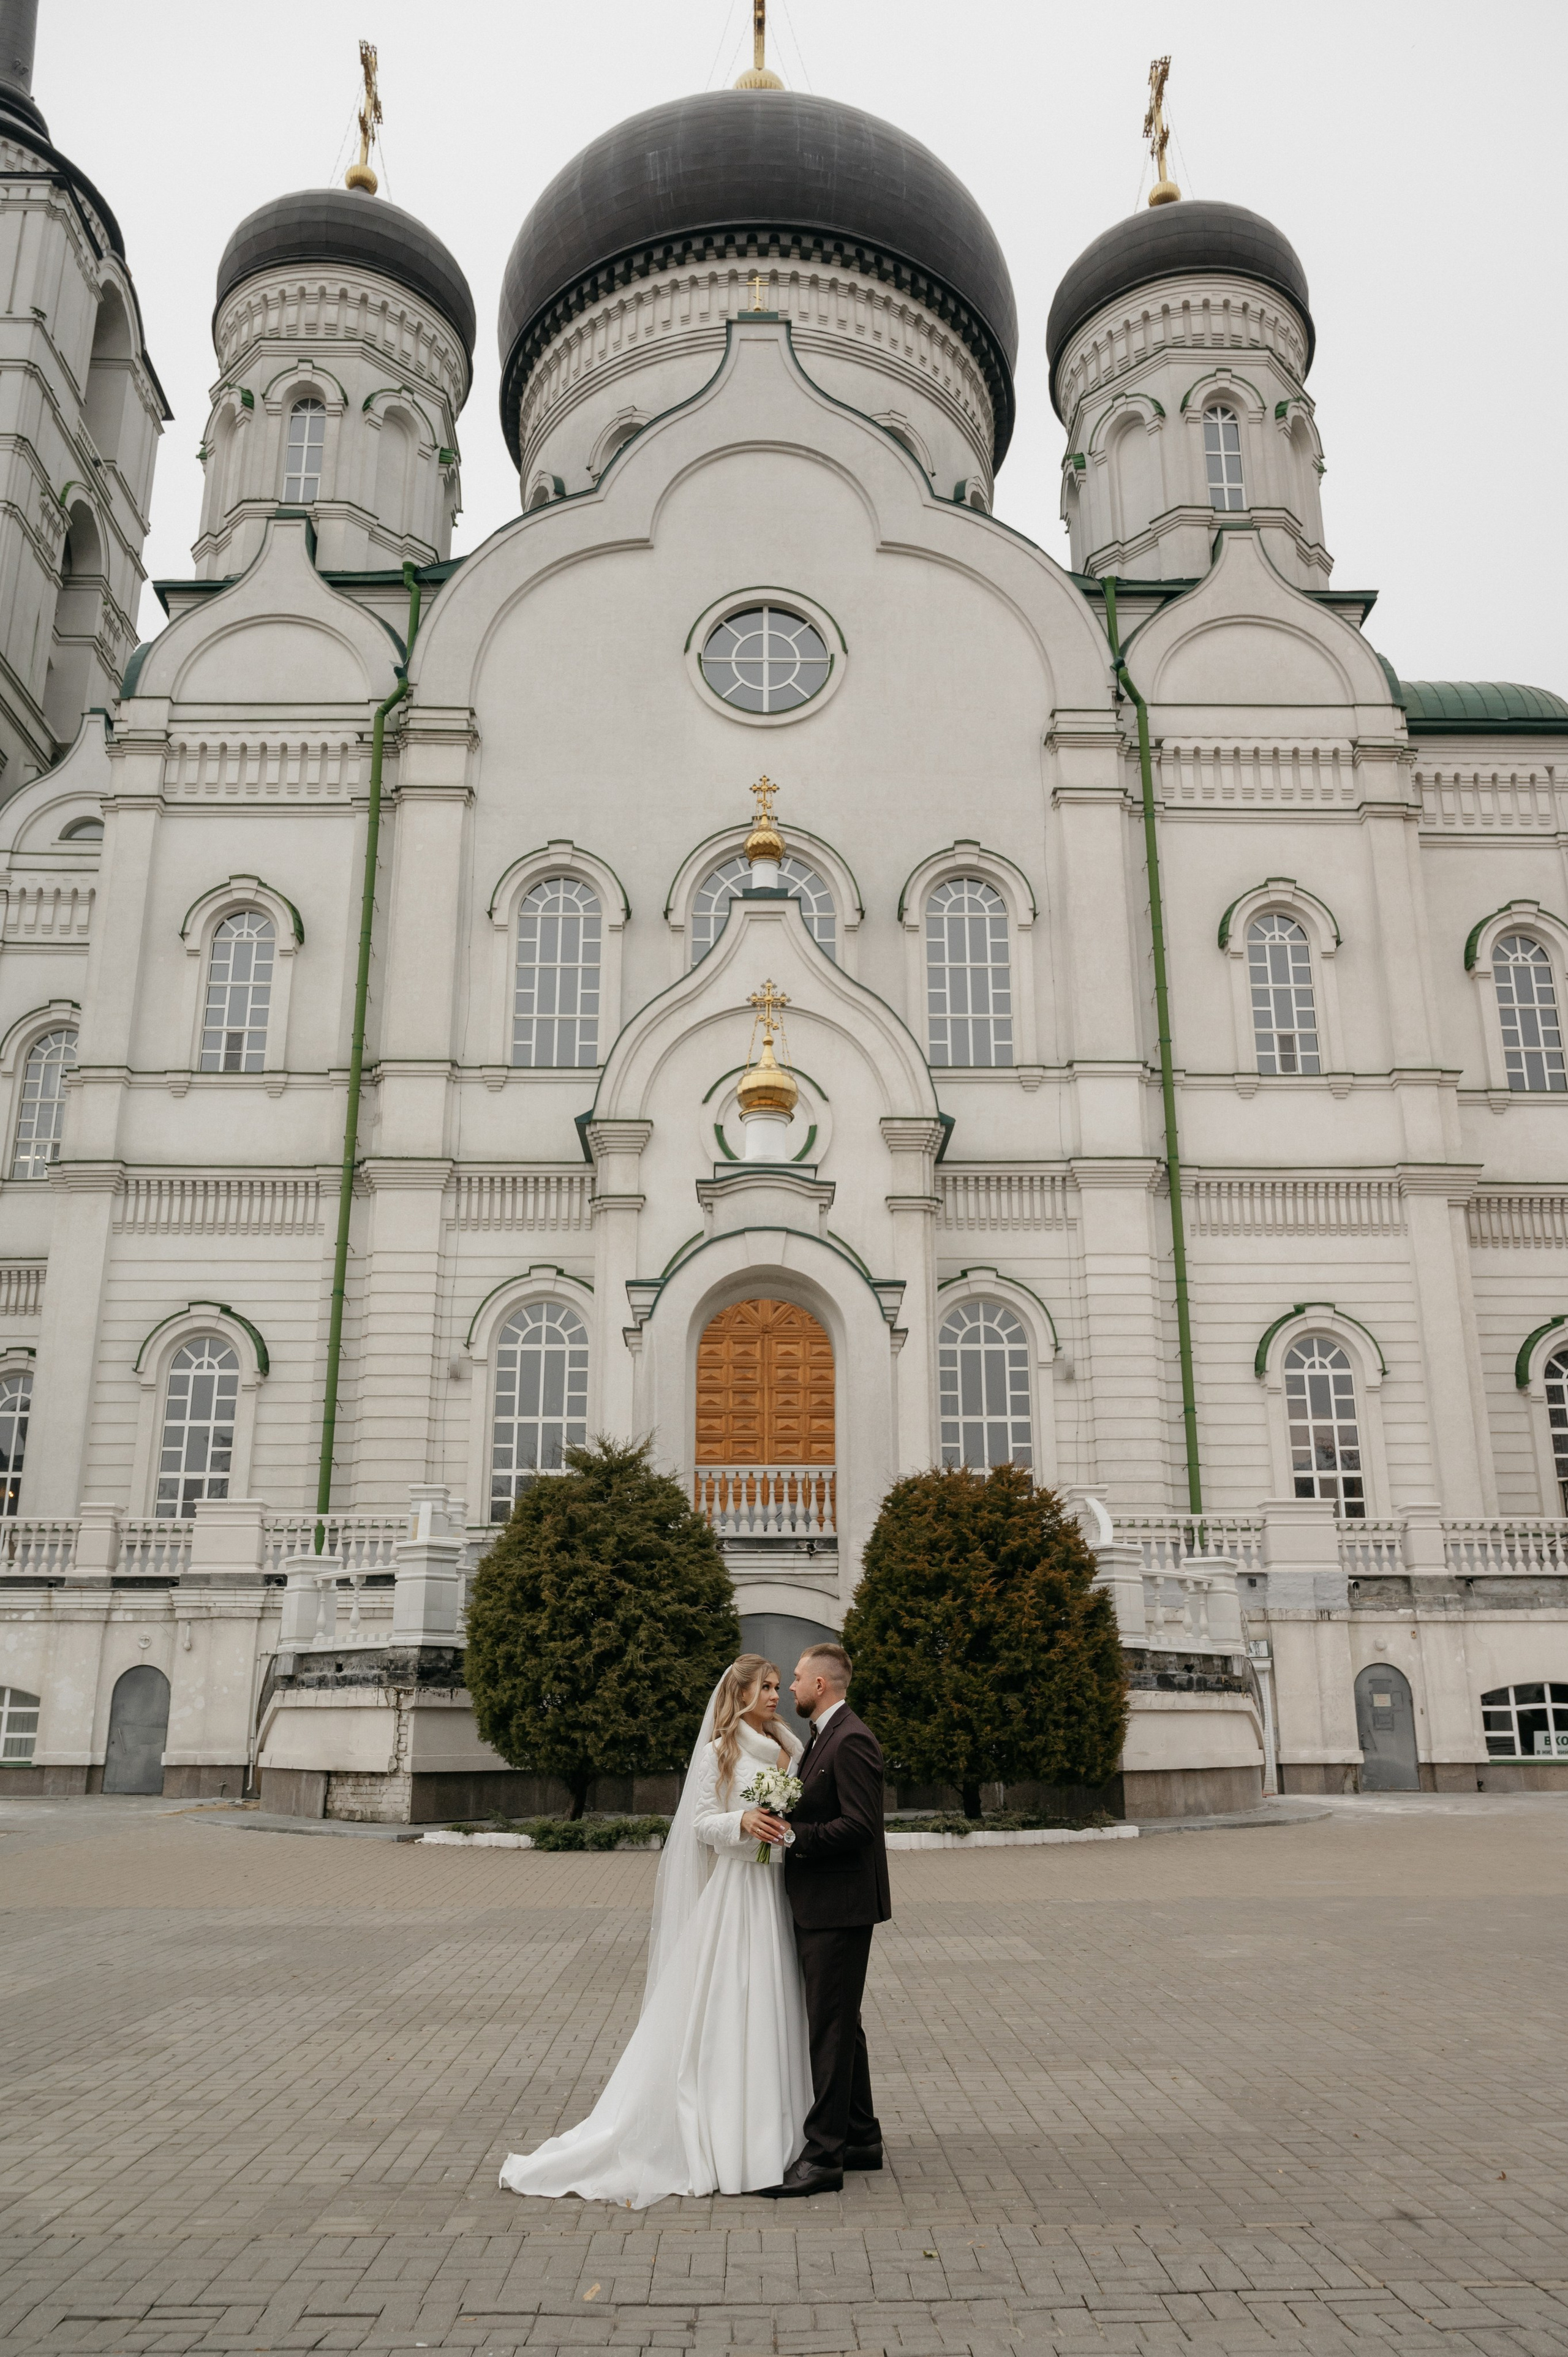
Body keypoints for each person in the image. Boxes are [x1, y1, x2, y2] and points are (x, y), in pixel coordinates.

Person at [497, 1654, 813, 2206]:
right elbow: (699, 1824)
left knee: (775, 2005)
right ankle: (732, 2140)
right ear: (740, 1693)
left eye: (777, 1686)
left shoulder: (791, 1748)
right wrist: (741, 1820)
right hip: (738, 1893)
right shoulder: (721, 1752)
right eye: (765, 1687)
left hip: (779, 1892)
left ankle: (779, 2136)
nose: (775, 1695)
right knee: (734, 2006)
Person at [750, 1642, 892, 2198]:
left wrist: (793, 1837)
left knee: (829, 2031)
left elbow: (861, 1825)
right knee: (842, 2024)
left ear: (821, 1686)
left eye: (797, 1678)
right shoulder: (822, 1735)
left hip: (839, 1905)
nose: (790, 1687)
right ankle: (860, 2138)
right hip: (827, 1902)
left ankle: (824, 2157)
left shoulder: (851, 1738)